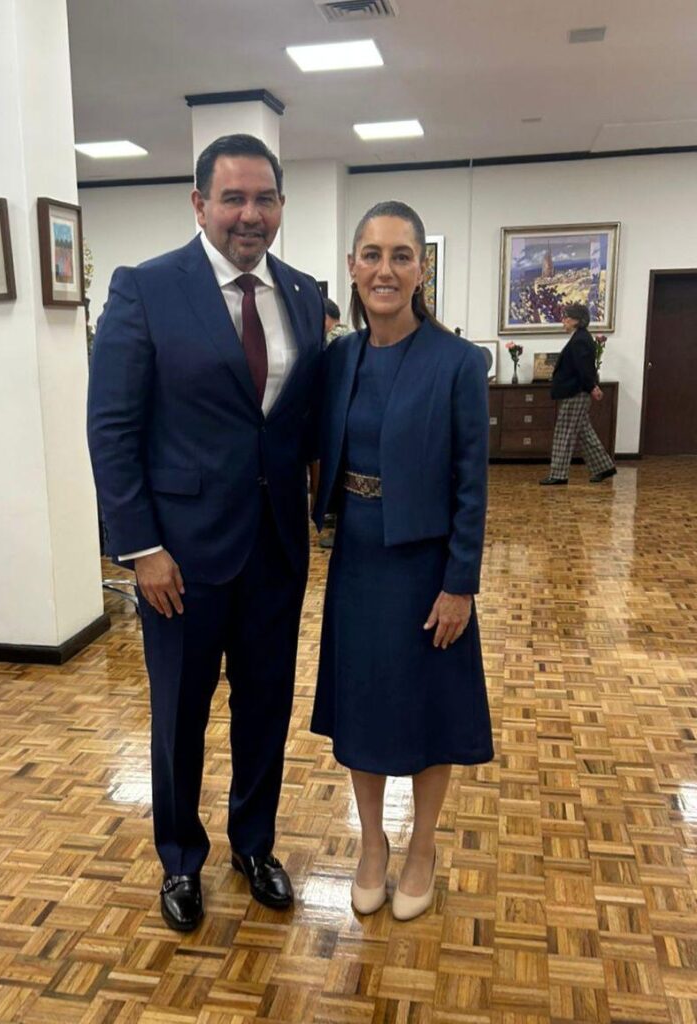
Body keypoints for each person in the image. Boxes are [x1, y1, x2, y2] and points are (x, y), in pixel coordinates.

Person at [87, 133, 324, 932]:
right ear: (199, 204)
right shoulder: (147, 288)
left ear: (281, 206)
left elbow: (299, 422)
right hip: (179, 559)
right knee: (179, 715)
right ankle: (180, 860)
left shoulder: (302, 292)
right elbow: (112, 428)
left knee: (265, 708)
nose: (249, 215)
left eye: (264, 199)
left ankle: (253, 845)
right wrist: (141, 547)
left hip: (275, 549)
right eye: (233, 198)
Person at [312, 201, 493, 921]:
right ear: (352, 267)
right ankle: (371, 844)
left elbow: (471, 484)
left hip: (424, 565)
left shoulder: (458, 363)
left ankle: (422, 845)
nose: (384, 269)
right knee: (361, 705)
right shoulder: (338, 359)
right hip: (357, 557)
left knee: (429, 709)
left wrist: (460, 584)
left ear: (422, 269)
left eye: (401, 255)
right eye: (371, 254)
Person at [540, 302, 617, 485]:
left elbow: (584, 368)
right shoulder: (580, 337)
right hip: (576, 392)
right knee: (584, 431)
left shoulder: (580, 339)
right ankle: (604, 467)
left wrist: (591, 387)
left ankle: (558, 474)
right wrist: (591, 387)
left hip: (575, 392)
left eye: (566, 317)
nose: (563, 321)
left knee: (564, 433)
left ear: (576, 320)